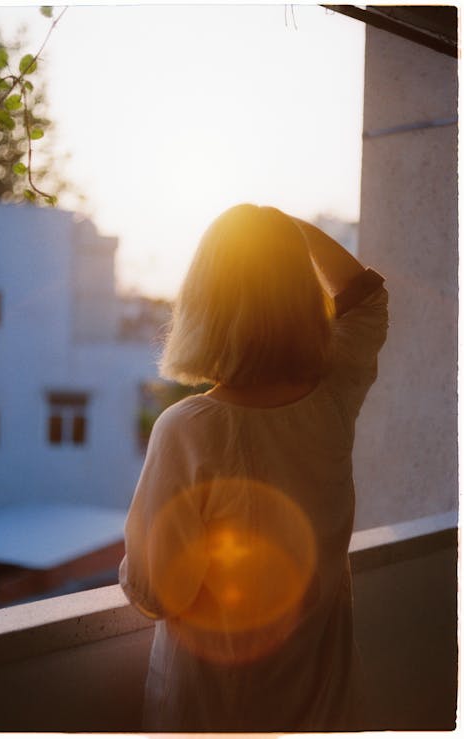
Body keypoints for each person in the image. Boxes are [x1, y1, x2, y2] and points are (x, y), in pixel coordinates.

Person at [119, 204, 388, 731]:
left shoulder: (189, 429)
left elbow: (155, 594)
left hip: (215, 715)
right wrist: (283, 230)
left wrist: (260, 228)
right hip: (326, 709)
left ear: (203, 301)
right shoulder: (334, 399)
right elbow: (365, 297)